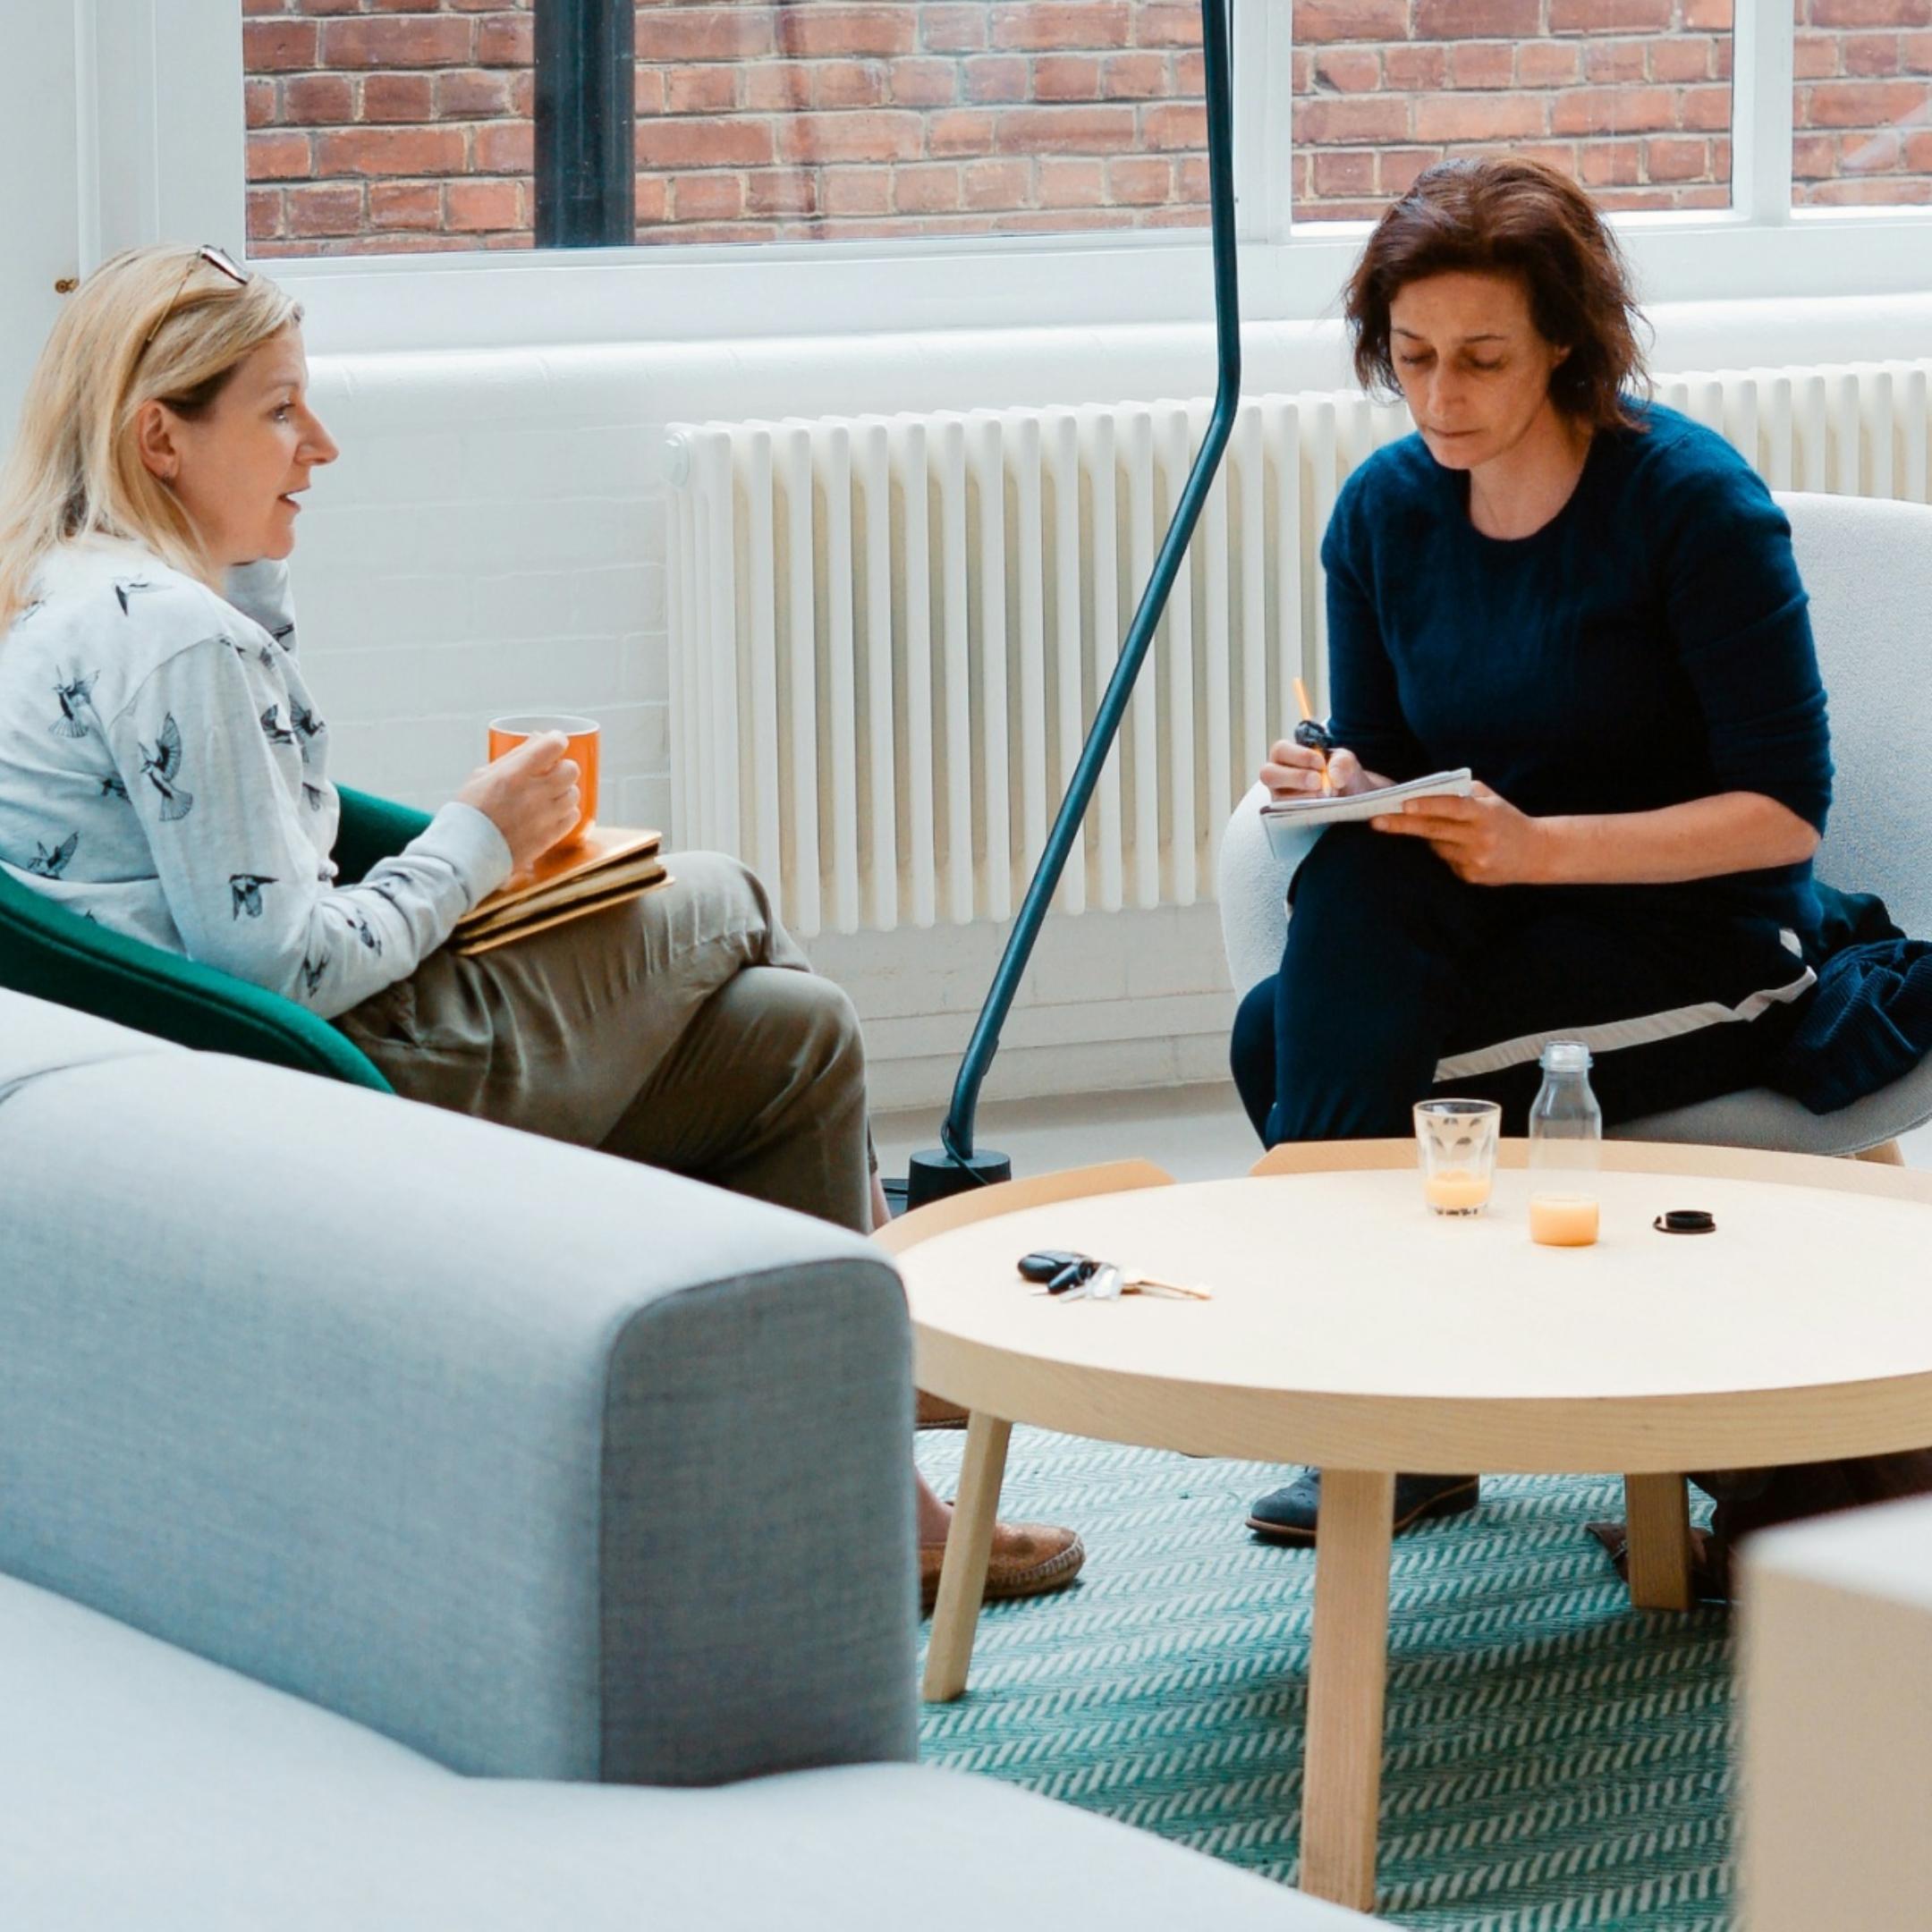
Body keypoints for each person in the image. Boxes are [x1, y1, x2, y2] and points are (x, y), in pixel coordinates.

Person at [0, 243, 1081, 1614]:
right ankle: (891, 1340)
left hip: (222, 1083)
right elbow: (276, 962)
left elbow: (257, 869)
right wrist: (480, 840)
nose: (318, 446)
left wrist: (258, 585)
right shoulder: (179, 643)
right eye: (279, 411)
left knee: (791, 1036)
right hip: (336, 1081)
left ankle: (868, 1490)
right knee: (728, 895)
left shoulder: (73, 596)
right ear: (162, 435)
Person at [1227, 158, 1928, 1582]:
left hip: (1699, 938)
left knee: (1292, 1042)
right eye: (1412, 358)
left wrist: (1543, 848)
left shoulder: (1687, 505)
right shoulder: (1384, 514)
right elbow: (1393, 757)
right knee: (1294, 997)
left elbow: (1785, 815)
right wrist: (1340, 782)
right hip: (1495, 919)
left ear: (1567, 341)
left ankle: (1372, 1380)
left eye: (1482, 357)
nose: (1442, 398)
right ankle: (1400, 1382)